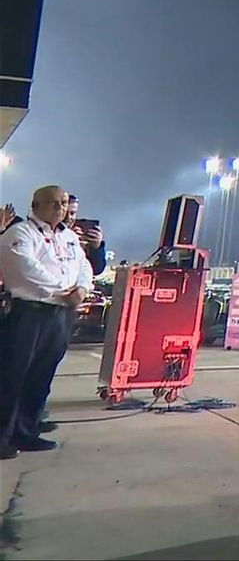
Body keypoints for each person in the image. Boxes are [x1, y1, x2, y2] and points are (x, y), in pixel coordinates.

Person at [0, 186, 94, 458]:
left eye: (63, 203)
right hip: (29, 314)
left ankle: (26, 432)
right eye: (53, 203)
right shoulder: (19, 234)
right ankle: (2, 435)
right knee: (12, 376)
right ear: (35, 205)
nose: (60, 208)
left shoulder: (69, 237)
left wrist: (82, 290)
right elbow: (26, 269)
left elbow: (84, 266)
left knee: (41, 376)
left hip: (59, 316)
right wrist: (65, 290)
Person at [64, 195, 108, 276]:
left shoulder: (81, 236)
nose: (68, 217)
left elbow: (96, 270)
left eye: (72, 213)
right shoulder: (44, 232)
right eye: (64, 213)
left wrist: (96, 248)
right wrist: (69, 242)